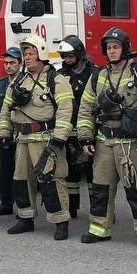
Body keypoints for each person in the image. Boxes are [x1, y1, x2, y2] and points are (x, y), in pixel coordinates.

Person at [75, 27, 137, 249]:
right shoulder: (98, 76)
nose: (112, 52)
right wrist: (85, 138)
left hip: (131, 143)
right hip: (104, 142)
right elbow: (85, 109)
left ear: (125, 49)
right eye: (108, 48)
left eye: (116, 47)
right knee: (101, 188)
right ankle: (99, 229)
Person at [0, 33, 76, 240]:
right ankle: (25, 218)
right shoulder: (19, 80)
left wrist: (59, 138)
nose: (27, 57)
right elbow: (6, 109)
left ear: (41, 54)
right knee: (21, 180)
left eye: (31, 53)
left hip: (46, 139)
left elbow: (66, 111)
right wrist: (3, 132)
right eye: (24, 53)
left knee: (51, 180)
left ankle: (60, 221)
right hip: (22, 140)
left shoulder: (56, 80)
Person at [54, 35, 98, 221]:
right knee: (70, 173)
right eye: (64, 56)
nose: (67, 60)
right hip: (69, 131)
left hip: (90, 130)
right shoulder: (60, 75)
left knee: (94, 174)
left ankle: (98, 210)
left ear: (79, 53)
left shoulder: (94, 73)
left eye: (70, 56)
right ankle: (72, 209)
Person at [0, 47, 22, 217]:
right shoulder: (0, 83)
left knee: (22, 174)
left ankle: (23, 208)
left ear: (20, 64)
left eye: (12, 63)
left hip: (22, 134)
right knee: (5, 171)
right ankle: (6, 204)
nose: (8, 66)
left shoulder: (26, 82)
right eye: (6, 63)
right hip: (5, 134)